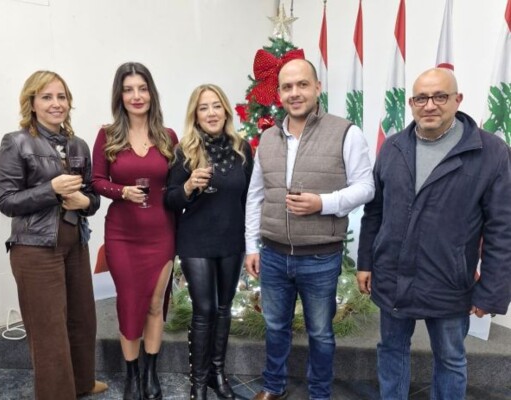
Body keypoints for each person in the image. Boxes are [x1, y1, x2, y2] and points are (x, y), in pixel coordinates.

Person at [357, 67, 511, 399]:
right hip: (392, 276)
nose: (430, 105)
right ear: (411, 103)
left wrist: (491, 291)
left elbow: (502, 229)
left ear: (457, 100)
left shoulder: (490, 153)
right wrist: (366, 261)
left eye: (440, 96)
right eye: (421, 98)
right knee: (391, 350)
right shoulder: (394, 147)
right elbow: (375, 211)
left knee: (451, 359)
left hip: (449, 281)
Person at [245, 58, 375, 400]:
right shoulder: (268, 137)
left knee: (320, 333)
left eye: (302, 84)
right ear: (279, 94)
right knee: (275, 327)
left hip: (320, 257)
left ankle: (319, 393)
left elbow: (366, 187)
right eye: (287, 87)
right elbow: (255, 195)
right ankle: (273, 386)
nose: (295, 93)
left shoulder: (346, 132)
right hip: (273, 254)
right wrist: (252, 246)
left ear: (317, 87)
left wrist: (323, 203)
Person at [0, 70, 107, 399]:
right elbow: (7, 201)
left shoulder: (78, 144)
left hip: (75, 244)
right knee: (49, 332)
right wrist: (51, 190)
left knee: (82, 320)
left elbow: (92, 197)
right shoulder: (16, 142)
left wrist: (86, 202)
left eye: (62, 97)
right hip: (34, 249)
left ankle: (82, 384)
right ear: (31, 103)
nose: (56, 103)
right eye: (46, 97)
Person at [92, 62, 177, 400]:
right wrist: (122, 191)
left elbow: (176, 186)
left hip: (162, 232)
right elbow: (97, 181)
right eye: (128, 90)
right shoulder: (108, 135)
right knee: (129, 303)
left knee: (155, 304)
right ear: (120, 96)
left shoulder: (167, 137)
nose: (136, 96)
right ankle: (131, 375)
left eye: (142, 88)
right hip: (123, 234)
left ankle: (151, 373)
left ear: (151, 93)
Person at [164, 84, 253, 400]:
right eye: (204, 108)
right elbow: (170, 200)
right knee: (204, 309)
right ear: (195, 115)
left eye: (216, 106)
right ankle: (198, 383)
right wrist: (188, 186)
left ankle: (217, 373)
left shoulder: (242, 149)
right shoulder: (184, 150)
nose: (211, 113)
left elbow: (249, 199)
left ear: (226, 111)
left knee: (224, 308)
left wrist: (251, 242)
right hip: (196, 240)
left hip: (231, 239)